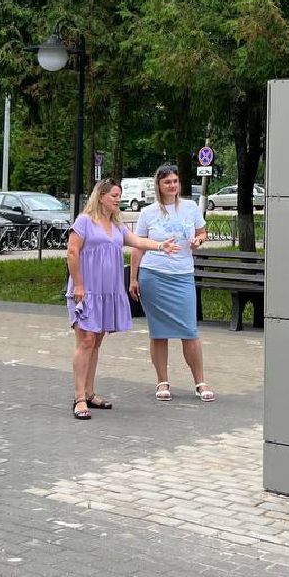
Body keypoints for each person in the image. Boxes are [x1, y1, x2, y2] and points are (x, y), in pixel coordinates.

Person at [66, 180, 177, 421]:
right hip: (86, 291)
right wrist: (79, 284)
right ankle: (79, 398)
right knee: (85, 340)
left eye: (119, 196)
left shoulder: (116, 225)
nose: (117, 199)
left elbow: (138, 241)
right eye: (114, 195)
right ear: (101, 196)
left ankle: (89, 392)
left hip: (108, 292)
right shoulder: (84, 221)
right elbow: (72, 252)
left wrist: (160, 245)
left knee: (95, 341)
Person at [129, 165, 213, 402]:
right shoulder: (148, 212)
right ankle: (162, 381)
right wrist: (133, 278)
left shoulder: (190, 207)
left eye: (175, 181)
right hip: (154, 275)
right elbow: (138, 245)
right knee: (159, 332)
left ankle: (200, 381)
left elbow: (202, 232)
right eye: (167, 182)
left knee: (190, 331)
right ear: (159, 185)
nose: (172, 186)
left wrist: (198, 240)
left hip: (182, 275)